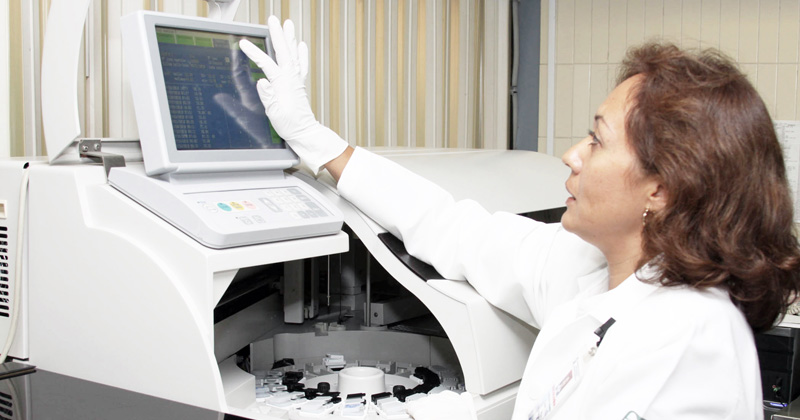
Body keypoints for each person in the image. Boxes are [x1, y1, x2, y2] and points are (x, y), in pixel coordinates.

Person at [240, 16, 800, 420]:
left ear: (662, 187)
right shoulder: (586, 266)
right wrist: (317, 142)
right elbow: (452, 228)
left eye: (597, 141)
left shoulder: (685, 344)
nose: (572, 155)